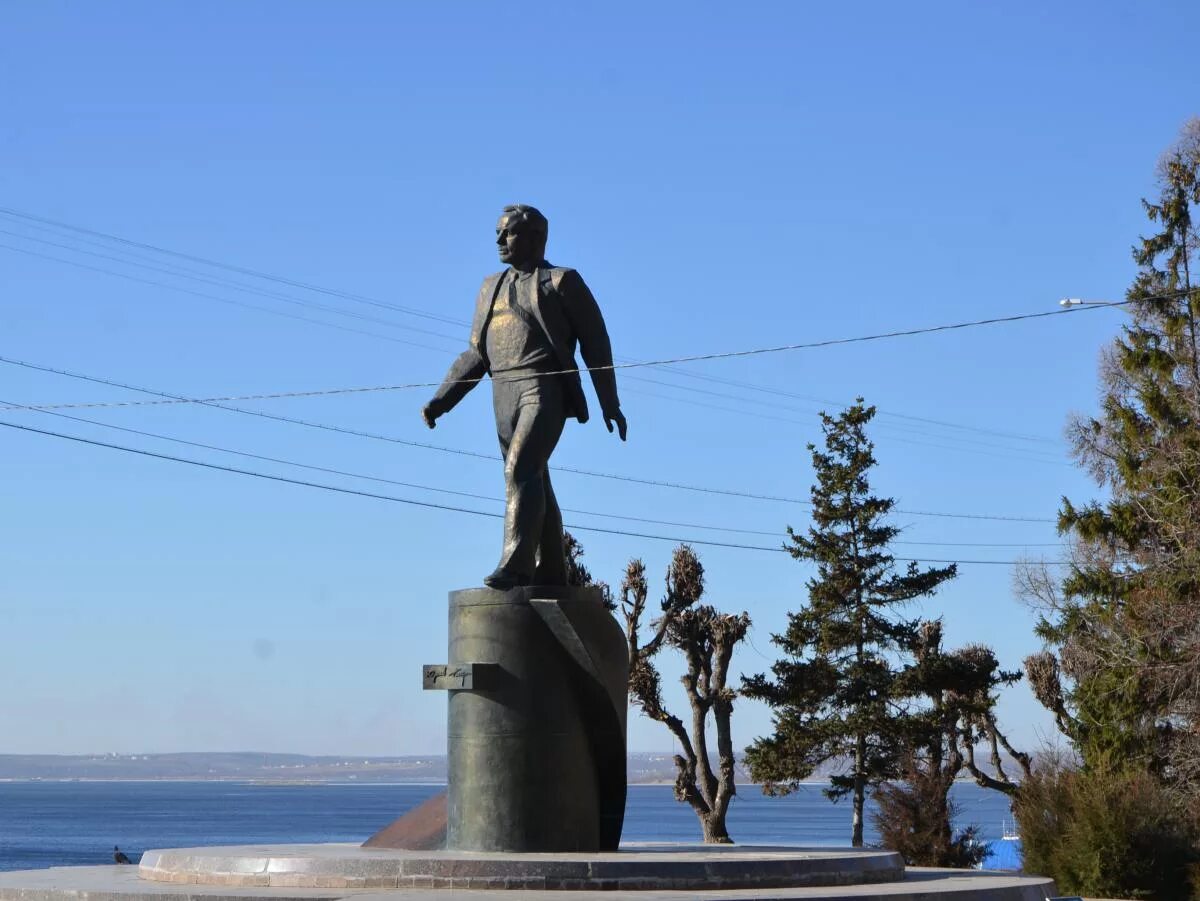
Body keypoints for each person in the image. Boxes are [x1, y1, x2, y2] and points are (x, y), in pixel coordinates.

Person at [422, 205, 627, 590]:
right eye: (498, 233)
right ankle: (551, 569)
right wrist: (442, 400)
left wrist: (609, 401)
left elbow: (596, 342)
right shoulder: (489, 288)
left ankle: (515, 565)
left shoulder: (561, 282)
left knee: (519, 470)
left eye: (509, 232)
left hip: (542, 387)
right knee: (535, 481)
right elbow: (475, 355)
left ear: (535, 238)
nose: (499, 240)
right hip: (502, 393)